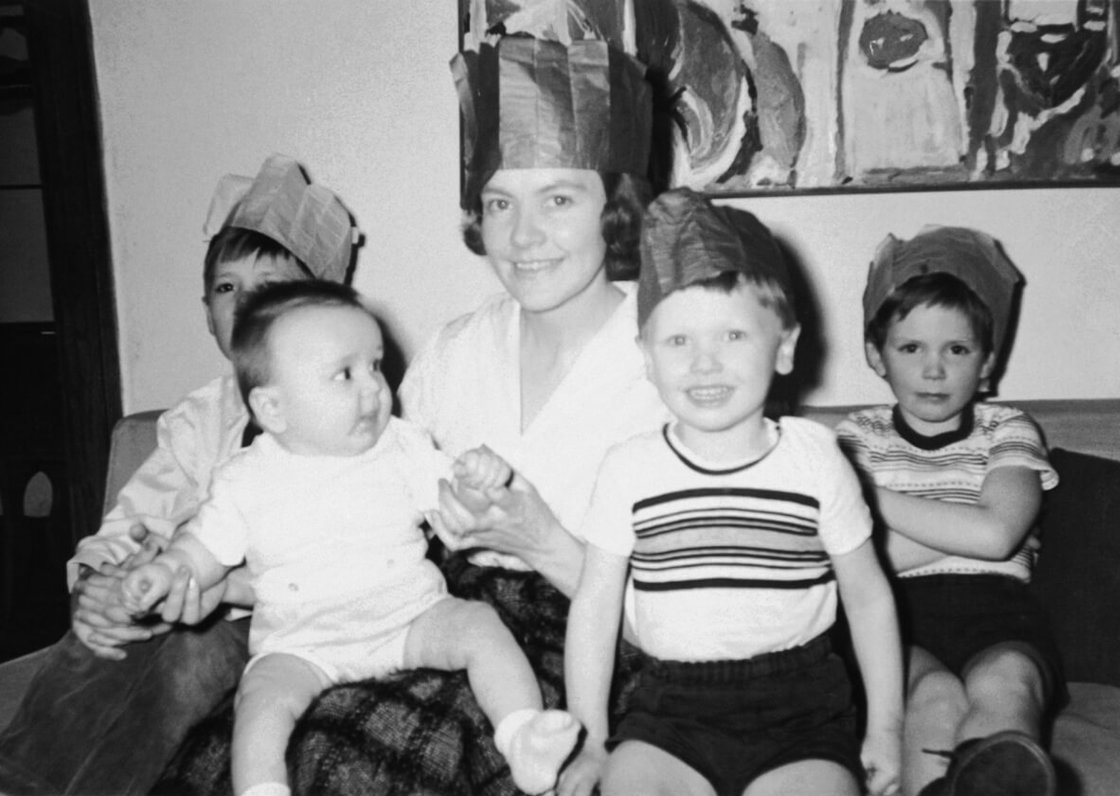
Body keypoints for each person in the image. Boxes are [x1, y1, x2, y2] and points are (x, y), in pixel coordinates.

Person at [154, 34, 671, 796]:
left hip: (577, 646)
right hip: (417, 614)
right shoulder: (454, 350)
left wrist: (548, 542)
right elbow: (355, 522)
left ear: (615, 207)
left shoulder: (671, 359)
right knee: (231, 757)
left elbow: (702, 616)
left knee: (341, 761)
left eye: (558, 198)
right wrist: (219, 583)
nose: (523, 236)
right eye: (500, 202)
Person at [118, 280, 581, 796]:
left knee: (479, 626)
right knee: (260, 703)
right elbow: (201, 549)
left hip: (409, 617)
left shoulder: (401, 445)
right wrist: (165, 571)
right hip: (303, 643)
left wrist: (477, 480)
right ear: (272, 409)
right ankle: (262, 790)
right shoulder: (243, 479)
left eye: (375, 366)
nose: (373, 389)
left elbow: (452, 500)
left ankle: (522, 736)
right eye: (344, 374)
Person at [0, 154, 358, 796]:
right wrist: (99, 587)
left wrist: (210, 595)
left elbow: (345, 560)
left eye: (271, 283)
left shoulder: (348, 408)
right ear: (207, 312)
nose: (245, 300)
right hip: (185, 594)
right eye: (226, 287)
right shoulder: (199, 420)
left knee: (194, 648)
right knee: (101, 630)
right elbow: (135, 522)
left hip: (292, 625)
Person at [558, 188, 904, 796]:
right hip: (670, 710)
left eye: (733, 337)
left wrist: (886, 727)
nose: (704, 363)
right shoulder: (628, 469)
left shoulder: (816, 459)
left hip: (801, 710)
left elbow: (868, 595)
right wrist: (587, 736)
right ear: (646, 356)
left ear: (787, 346)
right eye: (679, 341)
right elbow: (593, 609)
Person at [835, 226, 1061, 796]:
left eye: (957, 349)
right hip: (891, 617)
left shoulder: (1006, 428)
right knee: (931, 697)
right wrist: (971, 518)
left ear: (986, 362)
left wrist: (867, 496)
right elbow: (850, 567)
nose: (933, 370)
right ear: (875, 354)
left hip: (1000, 611)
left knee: (1008, 683)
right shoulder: (855, 437)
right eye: (911, 347)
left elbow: (996, 537)